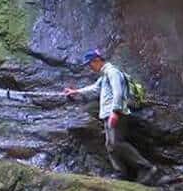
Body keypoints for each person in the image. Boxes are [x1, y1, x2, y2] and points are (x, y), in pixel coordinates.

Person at [64, 49, 157, 183]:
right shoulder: (104, 76)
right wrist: (76, 92)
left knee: (116, 143)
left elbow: (118, 92)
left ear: (97, 60)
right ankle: (121, 173)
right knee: (110, 145)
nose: (90, 68)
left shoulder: (112, 72)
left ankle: (146, 168)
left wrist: (115, 111)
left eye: (90, 64)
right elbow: (94, 89)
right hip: (108, 114)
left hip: (115, 113)